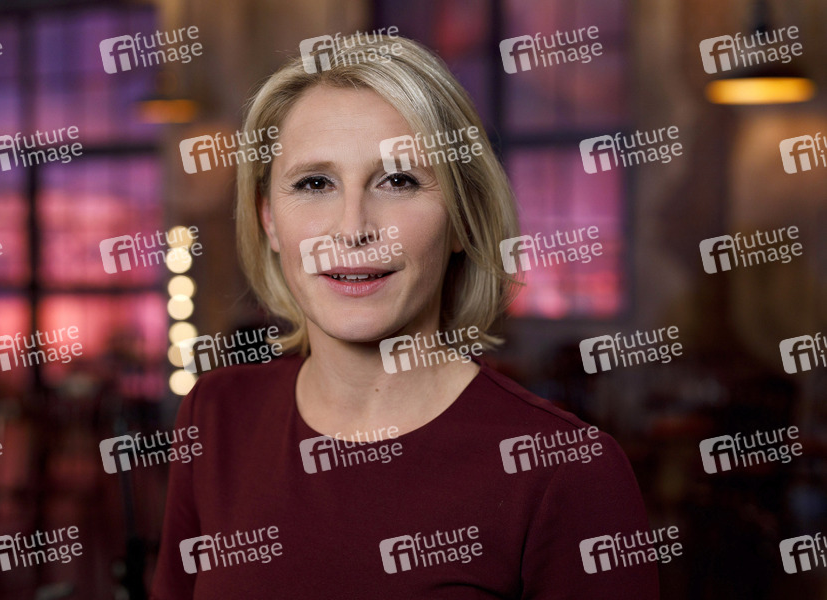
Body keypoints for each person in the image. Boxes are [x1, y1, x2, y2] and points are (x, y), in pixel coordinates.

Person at [151, 34, 659, 599]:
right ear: (269, 219)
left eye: (399, 181)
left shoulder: (568, 471)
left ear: (462, 219)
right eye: (314, 183)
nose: (352, 229)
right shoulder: (217, 416)